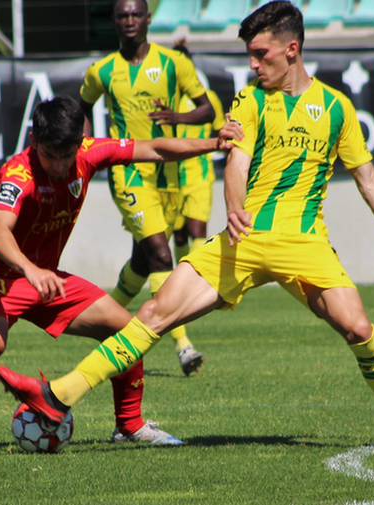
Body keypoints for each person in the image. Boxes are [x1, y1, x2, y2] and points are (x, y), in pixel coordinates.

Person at [0, 1, 374, 449]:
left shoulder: (336, 108)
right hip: (242, 241)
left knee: (360, 330)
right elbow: (237, 160)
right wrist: (235, 208)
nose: (252, 65)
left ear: (292, 50)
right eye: (249, 55)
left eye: (261, 55)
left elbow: (369, 180)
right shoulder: (250, 100)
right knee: (153, 314)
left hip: (305, 246)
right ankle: (57, 395)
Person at [0, 96, 243, 457]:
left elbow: (153, 147)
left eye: (66, 155)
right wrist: (29, 269)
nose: (58, 165)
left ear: (80, 142)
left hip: (45, 278)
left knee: (130, 333)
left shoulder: (90, 153)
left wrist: (214, 144)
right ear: (33, 141)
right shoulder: (17, 175)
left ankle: (130, 426)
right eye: (49, 155)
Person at [80, 0, 217, 376]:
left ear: (147, 19)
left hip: (167, 175)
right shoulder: (102, 71)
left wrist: (179, 117)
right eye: (122, 15)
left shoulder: (175, 63)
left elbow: (207, 111)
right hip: (128, 174)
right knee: (161, 255)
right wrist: (88, 148)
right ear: (114, 20)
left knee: (142, 263)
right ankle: (182, 345)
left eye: (135, 14)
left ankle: (104, 323)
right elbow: (82, 109)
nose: (129, 21)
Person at [171, 40, 227, 268]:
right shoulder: (166, 100)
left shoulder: (208, 99)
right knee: (179, 235)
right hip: (173, 176)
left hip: (200, 175)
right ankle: (180, 276)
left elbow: (220, 130)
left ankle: (194, 277)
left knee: (197, 228)